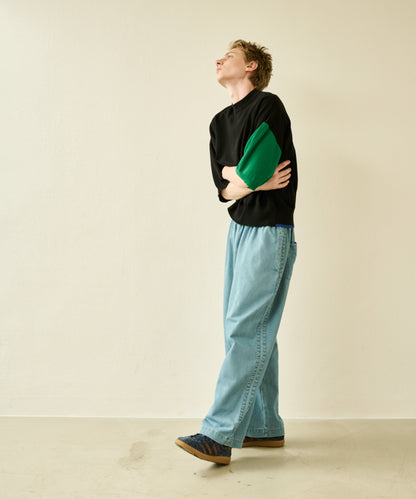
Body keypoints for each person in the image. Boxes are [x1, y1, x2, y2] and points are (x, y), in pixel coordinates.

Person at [175, 39, 298, 465]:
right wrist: (247, 179)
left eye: (228, 55)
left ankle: (219, 433)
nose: (218, 59)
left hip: (270, 230)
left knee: (246, 328)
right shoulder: (218, 123)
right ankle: (264, 426)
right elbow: (224, 188)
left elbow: (250, 170)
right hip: (239, 230)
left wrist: (243, 176)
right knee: (247, 328)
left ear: (250, 66)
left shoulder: (268, 106)